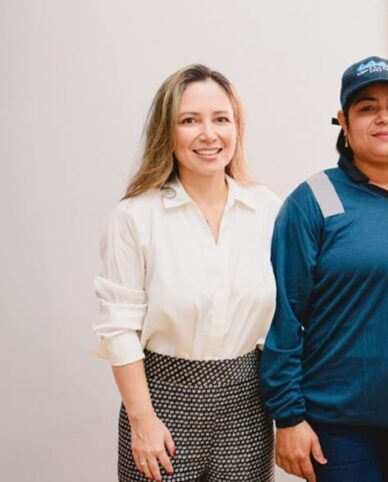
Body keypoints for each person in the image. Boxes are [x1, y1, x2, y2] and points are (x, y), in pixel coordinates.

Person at [259, 56, 388, 482]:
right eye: (367, 107)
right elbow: (282, 317)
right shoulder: (313, 200)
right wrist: (287, 415)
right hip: (336, 420)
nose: (384, 117)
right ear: (343, 120)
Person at [92, 64, 279, 482]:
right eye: (189, 120)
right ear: (167, 132)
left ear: (237, 128)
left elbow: (291, 315)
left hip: (248, 405)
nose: (209, 134)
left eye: (221, 119)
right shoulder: (135, 216)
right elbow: (119, 328)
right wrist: (142, 420)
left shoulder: (267, 209)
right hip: (161, 404)